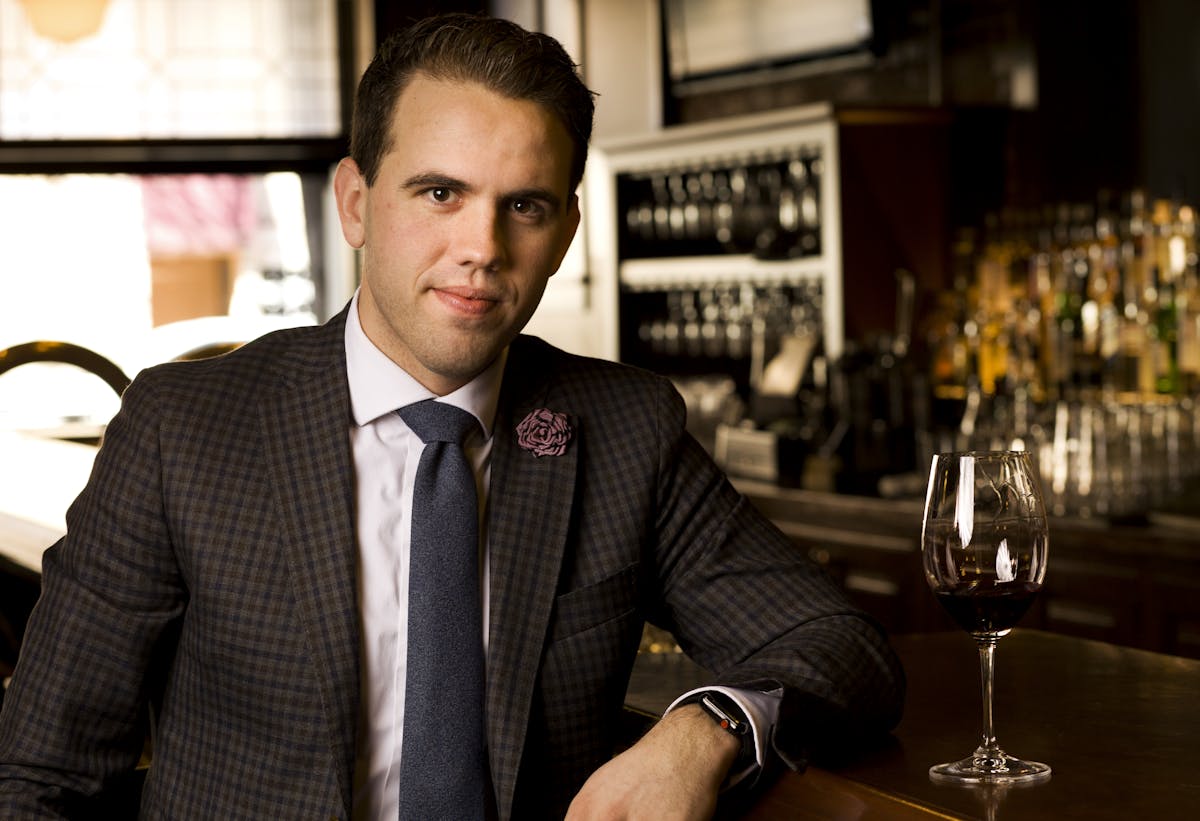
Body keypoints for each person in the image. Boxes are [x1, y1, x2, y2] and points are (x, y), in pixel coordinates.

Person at [0, 12, 904, 820]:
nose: (481, 248)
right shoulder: (181, 430)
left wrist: (704, 730)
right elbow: (40, 775)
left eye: (525, 206)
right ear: (356, 203)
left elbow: (837, 645)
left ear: (566, 232)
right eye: (441, 194)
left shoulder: (626, 430)